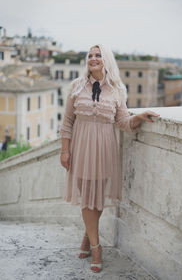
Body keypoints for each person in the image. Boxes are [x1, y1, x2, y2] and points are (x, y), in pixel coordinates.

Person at [59, 44, 159, 273]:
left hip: (105, 148)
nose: (93, 58)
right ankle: (96, 247)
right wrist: (65, 151)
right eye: (90, 55)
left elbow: (123, 122)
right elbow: (67, 123)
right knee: (87, 197)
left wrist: (140, 116)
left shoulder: (116, 90)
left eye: (98, 55)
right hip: (81, 147)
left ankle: (87, 234)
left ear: (107, 61)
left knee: (98, 199)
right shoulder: (76, 87)